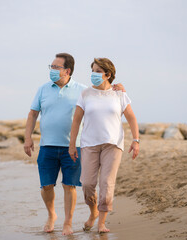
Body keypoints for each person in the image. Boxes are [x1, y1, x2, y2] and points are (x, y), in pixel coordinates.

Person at [24, 53, 125, 235]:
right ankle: (51, 215)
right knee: (46, 185)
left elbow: (103, 94)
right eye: (51, 67)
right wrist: (27, 138)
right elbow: (32, 114)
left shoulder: (83, 89)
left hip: (75, 146)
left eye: (56, 67)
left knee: (69, 185)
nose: (52, 70)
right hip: (47, 145)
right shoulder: (43, 89)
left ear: (67, 70)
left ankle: (68, 223)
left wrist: (118, 88)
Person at [69, 57, 140, 233]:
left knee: (107, 184)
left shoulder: (119, 94)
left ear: (108, 74)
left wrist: (136, 140)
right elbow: (76, 121)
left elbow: (131, 117)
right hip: (89, 144)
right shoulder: (85, 94)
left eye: (98, 71)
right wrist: (72, 145)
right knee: (87, 184)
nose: (94, 74)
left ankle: (101, 222)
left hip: (113, 144)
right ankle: (93, 212)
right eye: (93, 71)